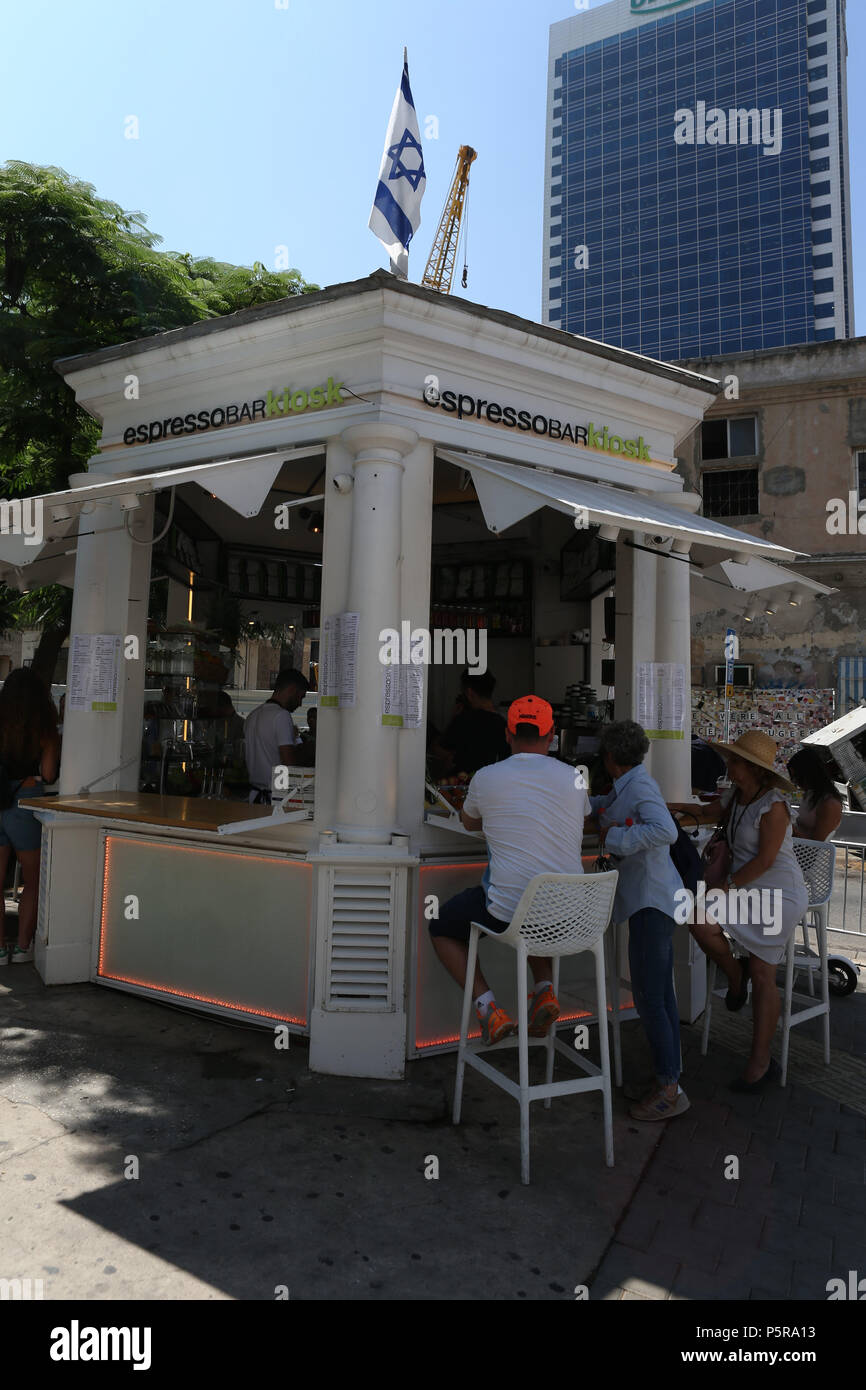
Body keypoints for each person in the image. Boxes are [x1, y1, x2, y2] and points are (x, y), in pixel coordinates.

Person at [429, 696, 590, 1044]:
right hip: (573, 913)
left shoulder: (487, 777)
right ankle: (544, 991)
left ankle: (489, 1010)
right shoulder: (575, 777)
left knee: (442, 926)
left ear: (508, 734)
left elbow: (469, 822)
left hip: (512, 912)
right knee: (539, 907)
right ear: (552, 735)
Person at [688, 731, 808, 1091]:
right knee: (697, 920)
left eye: (736, 760)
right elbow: (707, 811)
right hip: (745, 885)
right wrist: (668, 807)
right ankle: (735, 978)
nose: (730, 764)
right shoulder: (737, 796)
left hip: (778, 892)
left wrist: (728, 886)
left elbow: (766, 860)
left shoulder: (773, 805)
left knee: (762, 970)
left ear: (755, 769)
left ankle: (760, 1061)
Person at [589, 721, 688, 1122]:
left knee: (651, 999)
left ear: (609, 758)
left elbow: (665, 831)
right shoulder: (629, 783)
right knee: (660, 997)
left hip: (653, 902)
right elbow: (607, 803)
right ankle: (668, 1078)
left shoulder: (640, 787)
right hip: (655, 901)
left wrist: (615, 838)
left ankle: (669, 1090)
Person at [0, 669, 61, 964]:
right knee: (33, 881)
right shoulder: (44, 729)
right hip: (25, 803)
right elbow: (48, 774)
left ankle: (0, 949)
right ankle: (24, 946)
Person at [243, 668, 308, 803]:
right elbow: (288, 765)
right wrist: (297, 740)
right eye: (301, 696)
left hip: (254, 796)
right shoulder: (281, 715)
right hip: (273, 798)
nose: (300, 703)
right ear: (292, 689)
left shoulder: (252, 715)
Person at [438, 669, 509, 776]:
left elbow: (442, 749)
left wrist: (454, 717)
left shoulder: (463, 721)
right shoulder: (503, 723)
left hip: (462, 784)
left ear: (469, 693)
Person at [788, 746, 843, 842]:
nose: (794, 781)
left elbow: (816, 845)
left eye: (796, 776)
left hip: (804, 855)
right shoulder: (810, 795)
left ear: (809, 774)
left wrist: (788, 828)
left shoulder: (829, 804)